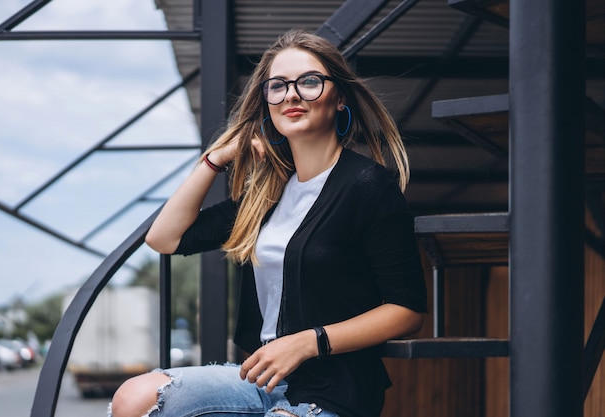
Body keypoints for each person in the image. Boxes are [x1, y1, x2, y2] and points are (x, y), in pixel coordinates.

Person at [109, 28, 427, 417]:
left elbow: (407, 309)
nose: (291, 94)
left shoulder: (368, 185)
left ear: (339, 97)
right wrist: (216, 158)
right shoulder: (269, 196)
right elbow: (164, 239)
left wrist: (309, 342)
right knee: (132, 398)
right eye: (277, 86)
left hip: (334, 388)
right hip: (262, 381)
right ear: (267, 103)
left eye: (309, 82)